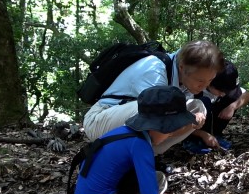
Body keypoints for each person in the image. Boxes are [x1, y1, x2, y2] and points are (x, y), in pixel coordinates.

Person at [83, 40, 225, 157]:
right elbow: (155, 126)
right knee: (162, 115)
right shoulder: (155, 71)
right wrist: (190, 123)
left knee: (197, 106)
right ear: (182, 67)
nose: (205, 86)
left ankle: (145, 155)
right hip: (100, 119)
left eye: (209, 80)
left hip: (130, 117)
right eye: (200, 81)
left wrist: (193, 123)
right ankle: (131, 159)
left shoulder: (185, 76)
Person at [183, 60, 249, 154]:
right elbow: (180, 119)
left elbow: (247, 95)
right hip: (192, 129)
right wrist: (202, 134)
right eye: (221, 91)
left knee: (234, 97)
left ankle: (216, 135)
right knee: (204, 102)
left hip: (213, 123)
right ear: (210, 82)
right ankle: (192, 140)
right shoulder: (194, 89)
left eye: (227, 91)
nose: (223, 94)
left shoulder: (226, 91)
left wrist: (232, 107)